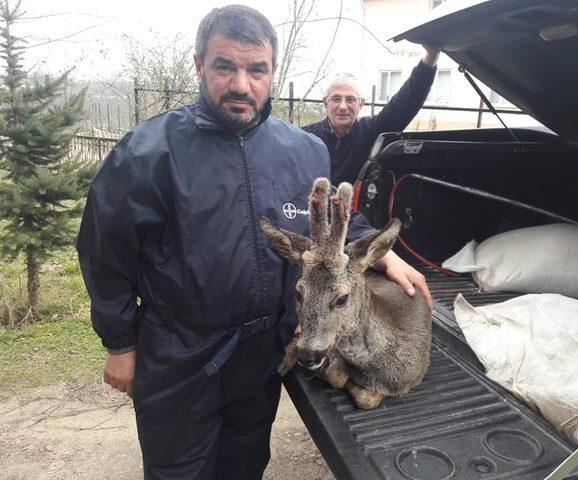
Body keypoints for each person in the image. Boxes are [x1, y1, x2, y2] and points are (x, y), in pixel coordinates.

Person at [77, 5, 431, 480]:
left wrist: (379, 254)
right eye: (225, 66)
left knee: (244, 465)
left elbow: (331, 224)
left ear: (272, 72)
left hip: (262, 349)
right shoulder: (148, 153)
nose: (241, 84)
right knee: (177, 471)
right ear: (199, 64)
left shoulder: (303, 150)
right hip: (180, 353)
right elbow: (105, 251)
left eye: (256, 69)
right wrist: (120, 343)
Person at [303, 47, 439, 184]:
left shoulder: (372, 130)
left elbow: (405, 102)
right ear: (326, 103)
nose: (343, 106)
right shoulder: (305, 137)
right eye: (336, 99)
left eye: (350, 100)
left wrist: (431, 56)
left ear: (360, 104)